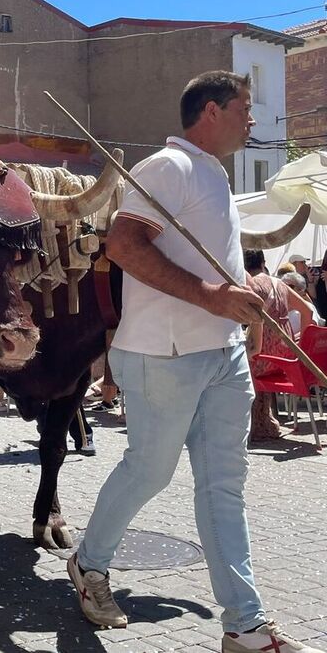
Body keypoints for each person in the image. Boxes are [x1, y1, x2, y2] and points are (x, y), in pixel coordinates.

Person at [66, 71, 323, 653]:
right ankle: (89, 565)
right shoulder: (167, 167)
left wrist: (246, 305)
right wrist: (212, 299)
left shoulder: (214, 174)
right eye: (246, 108)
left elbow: (218, 270)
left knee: (223, 487)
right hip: (165, 353)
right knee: (149, 472)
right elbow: (124, 247)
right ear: (212, 111)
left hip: (223, 353)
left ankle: (245, 626)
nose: (253, 119)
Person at [244, 249, 314, 442]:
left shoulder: (253, 285)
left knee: (237, 361)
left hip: (265, 357)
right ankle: (264, 420)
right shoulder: (279, 283)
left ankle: (250, 424)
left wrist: (253, 350)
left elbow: (256, 342)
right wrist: (303, 347)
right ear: (263, 262)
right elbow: (307, 311)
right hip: (286, 356)